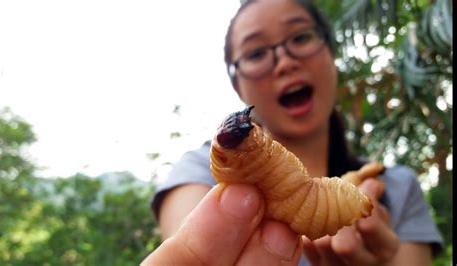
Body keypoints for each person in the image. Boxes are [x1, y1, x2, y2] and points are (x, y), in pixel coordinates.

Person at [144, 0, 444, 265]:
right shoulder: (197, 173)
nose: (285, 62)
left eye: (300, 37)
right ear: (238, 86)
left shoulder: (398, 186)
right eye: (256, 53)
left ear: (331, 53)